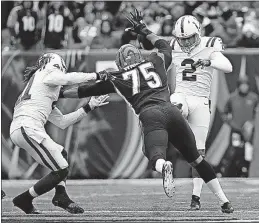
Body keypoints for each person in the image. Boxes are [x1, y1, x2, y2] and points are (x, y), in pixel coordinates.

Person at [61, 9, 234, 213]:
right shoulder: (155, 61)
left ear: (120, 62)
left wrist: (60, 94)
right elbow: (162, 43)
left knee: (154, 156)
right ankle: (224, 202)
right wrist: (144, 30)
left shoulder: (118, 77)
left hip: (151, 115)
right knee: (196, 158)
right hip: (172, 110)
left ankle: (164, 166)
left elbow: (83, 90)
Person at [9, 52, 108, 214]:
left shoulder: (41, 89)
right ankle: (25, 199)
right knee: (61, 170)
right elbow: (67, 79)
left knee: (61, 153)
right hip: (27, 127)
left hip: (24, 128)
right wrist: (95, 75)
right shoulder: (46, 74)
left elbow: (62, 122)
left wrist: (89, 106)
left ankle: (60, 196)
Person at [167, 15, 233, 211]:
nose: (185, 42)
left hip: (201, 102)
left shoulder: (210, 44)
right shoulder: (173, 45)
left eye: (189, 37)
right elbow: (159, 65)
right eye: (182, 38)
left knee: (198, 155)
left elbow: (228, 67)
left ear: (198, 32)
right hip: (182, 96)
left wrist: (208, 62)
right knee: (175, 103)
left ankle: (201, 198)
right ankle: (162, 161)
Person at [220, 76, 259, 177]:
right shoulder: (232, 98)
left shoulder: (254, 98)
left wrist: (252, 123)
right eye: (242, 85)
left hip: (249, 131)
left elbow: (258, 114)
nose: (244, 87)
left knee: (249, 152)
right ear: (238, 86)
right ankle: (231, 173)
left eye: (246, 85)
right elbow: (224, 113)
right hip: (236, 130)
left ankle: (246, 172)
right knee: (234, 151)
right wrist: (231, 123)